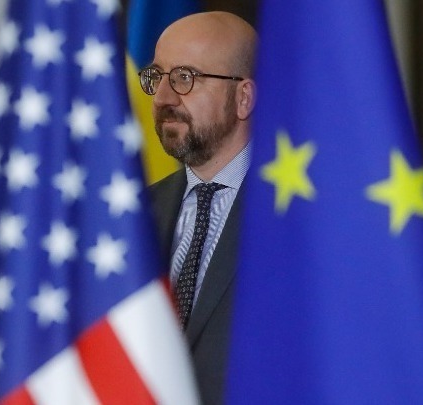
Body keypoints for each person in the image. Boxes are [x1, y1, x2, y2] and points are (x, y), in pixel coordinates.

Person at [140, 11, 257, 404]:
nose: (162, 98)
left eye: (185, 77)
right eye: (157, 76)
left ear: (243, 98)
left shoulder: (297, 220)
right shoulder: (138, 214)